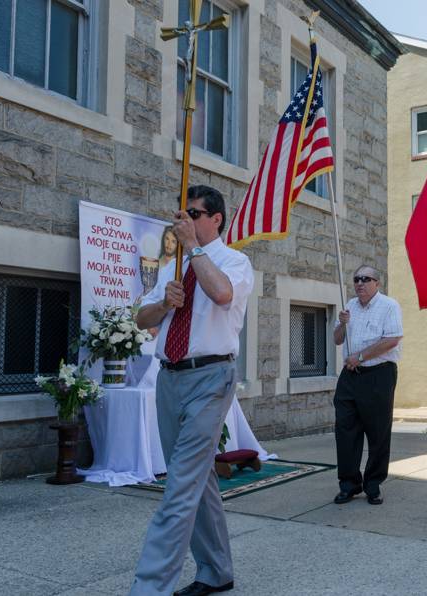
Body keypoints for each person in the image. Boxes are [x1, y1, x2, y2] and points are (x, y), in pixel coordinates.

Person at [130, 186, 254, 596]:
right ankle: (217, 571)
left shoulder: (234, 261)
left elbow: (222, 293)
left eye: (194, 214)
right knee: (196, 478)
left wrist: (194, 249)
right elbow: (141, 317)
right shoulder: (173, 268)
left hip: (210, 377)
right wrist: (164, 304)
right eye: (181, 215)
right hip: (169, 378)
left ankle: (149, 588)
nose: (184, 221)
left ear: (215, 219)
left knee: (180, 485)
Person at [332, 266, 403, 506]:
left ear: (377, 283)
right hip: (350, 375)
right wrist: (341, 324)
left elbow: (392, 339)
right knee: (345, 430)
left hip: (378, 375)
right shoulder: (349, 306)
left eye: (366, 279)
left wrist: (360, 357)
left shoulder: (389, 306)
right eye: (356, 279)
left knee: (377, 432)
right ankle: (349, 484)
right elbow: (337, 339)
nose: (360, 283)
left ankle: (373, 485)